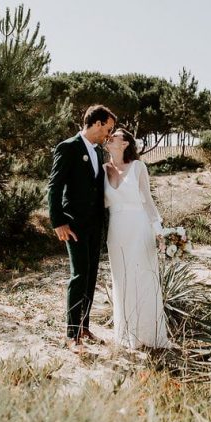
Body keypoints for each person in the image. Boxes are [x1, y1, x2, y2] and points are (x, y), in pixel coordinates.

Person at [48, 104, 116, 350]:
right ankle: (71, 334)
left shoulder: (98, 152)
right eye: (108, 128)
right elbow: (54, 186)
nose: (109, 134)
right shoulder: (68, 147)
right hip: (74, 224)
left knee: (90, 277)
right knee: (78, 276)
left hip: (95, 224)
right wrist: (58, 221)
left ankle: (84, 327)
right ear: (96, 123)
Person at [103, 128, 171, 349]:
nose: (109, 138)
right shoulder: (102, 169)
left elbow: (148, 201)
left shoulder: (138, 167)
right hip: (116, 230)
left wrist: (158, 231)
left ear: (124, 144)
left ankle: (149, 336)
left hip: (139, 226)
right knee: (121, 279)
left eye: (114, 137)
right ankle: (126, 333)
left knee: (142, 276)